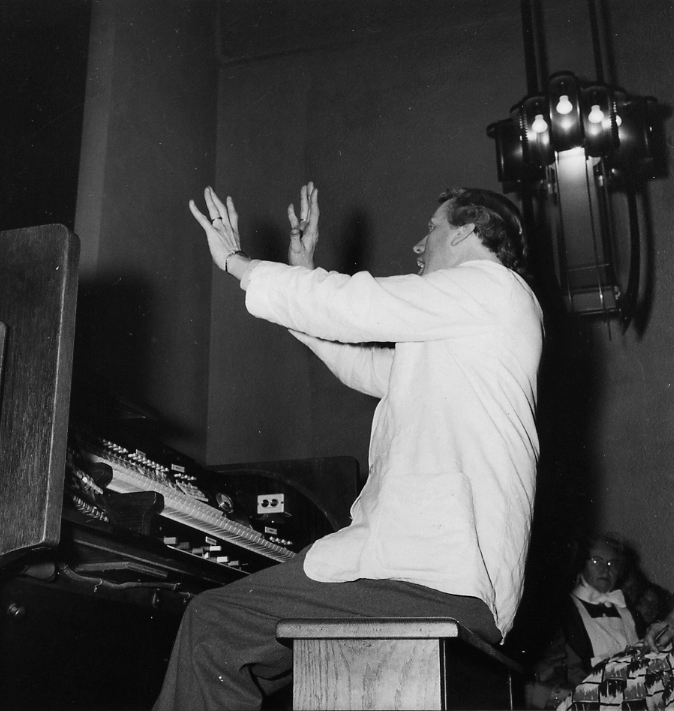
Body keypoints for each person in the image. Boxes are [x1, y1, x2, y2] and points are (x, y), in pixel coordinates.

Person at [153, 182, 544, 710]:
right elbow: (362, 363)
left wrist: (238, 263)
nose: (418, 245)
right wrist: (302, 277)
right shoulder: (474, 327)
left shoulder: (492, 287)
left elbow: (358, 305)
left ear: (468, 232)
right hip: (438, 574)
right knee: (243, 648)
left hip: (430, 575)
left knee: (214, 625)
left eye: (432, 228)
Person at [527, 534, 640, 709]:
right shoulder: (562, 610)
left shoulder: (630, 613)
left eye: (612, 563)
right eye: (596, 561)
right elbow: (550, 674)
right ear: (582, 564)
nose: (605, 569)